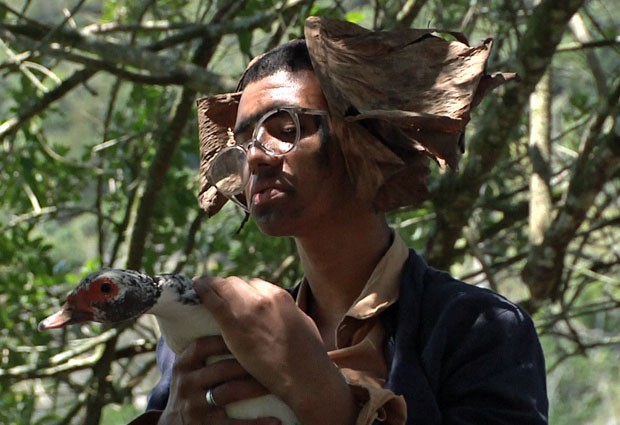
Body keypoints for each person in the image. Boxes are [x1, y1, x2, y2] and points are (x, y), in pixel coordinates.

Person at [130, 16, 548, 425]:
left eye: (284, 127)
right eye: (243, 142)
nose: (254, 156)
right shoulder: (209, 335)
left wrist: (323, 396)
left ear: (361, 137)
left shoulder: (479, 331)